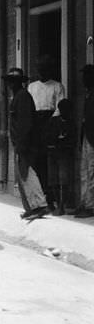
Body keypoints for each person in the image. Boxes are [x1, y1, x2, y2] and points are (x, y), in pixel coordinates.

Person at [4, 67, 49, 220]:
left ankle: (39, 205)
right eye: (10, 81)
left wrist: (22, 144)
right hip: (21, 142)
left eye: (13, 81)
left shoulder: (22, 97)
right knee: (21, 175)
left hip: (26, 143)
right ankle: (31, 207)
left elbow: (26, 123)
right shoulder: (19, 96)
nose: (10, 84)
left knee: (27, 173)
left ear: (18, 83)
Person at [28, 55, 66, 207]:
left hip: (50, 123)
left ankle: (51, 198)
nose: (42, 71)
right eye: (40, 68)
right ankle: (40, 196)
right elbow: (30, 107)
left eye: (45, 68)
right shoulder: (32, 87)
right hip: (36, 124)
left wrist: (50, 124)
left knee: (49, 161)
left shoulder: (57, 86)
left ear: (49, 69)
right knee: (37, 161)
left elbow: (60, 107)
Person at [45, 99, 76, 216]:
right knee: (53, 180)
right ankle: (58, 204)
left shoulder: (71, 124)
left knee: (63, 179)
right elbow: (47, 136)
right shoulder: (53, 121)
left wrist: (58, 142)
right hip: (53, 153)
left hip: (63, 154)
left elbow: (71, 141)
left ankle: (62, 205)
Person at [76, 64, 94, 218]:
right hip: (87, 137)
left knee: (91, 171)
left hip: (92, 138)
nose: (83, 80)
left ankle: (90, 205)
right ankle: (86, 202)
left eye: (87, 76)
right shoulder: (88, 95)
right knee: (85, 171)